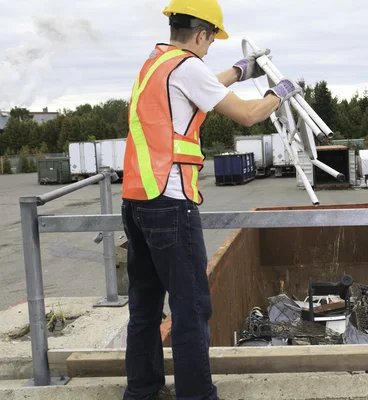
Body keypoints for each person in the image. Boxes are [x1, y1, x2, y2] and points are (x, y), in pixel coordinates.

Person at [119, 0, 302, 399]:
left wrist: (239, 71)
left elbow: (204, 85)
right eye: (210, 42)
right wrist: (278, 93)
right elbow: (250, 115)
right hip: (170, 203)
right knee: (191, 310)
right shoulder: (187, 66)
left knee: (145, 309)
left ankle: (142, 391)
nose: (208, 49)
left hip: (137, 201)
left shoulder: (156, 63)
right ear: (201, 34)